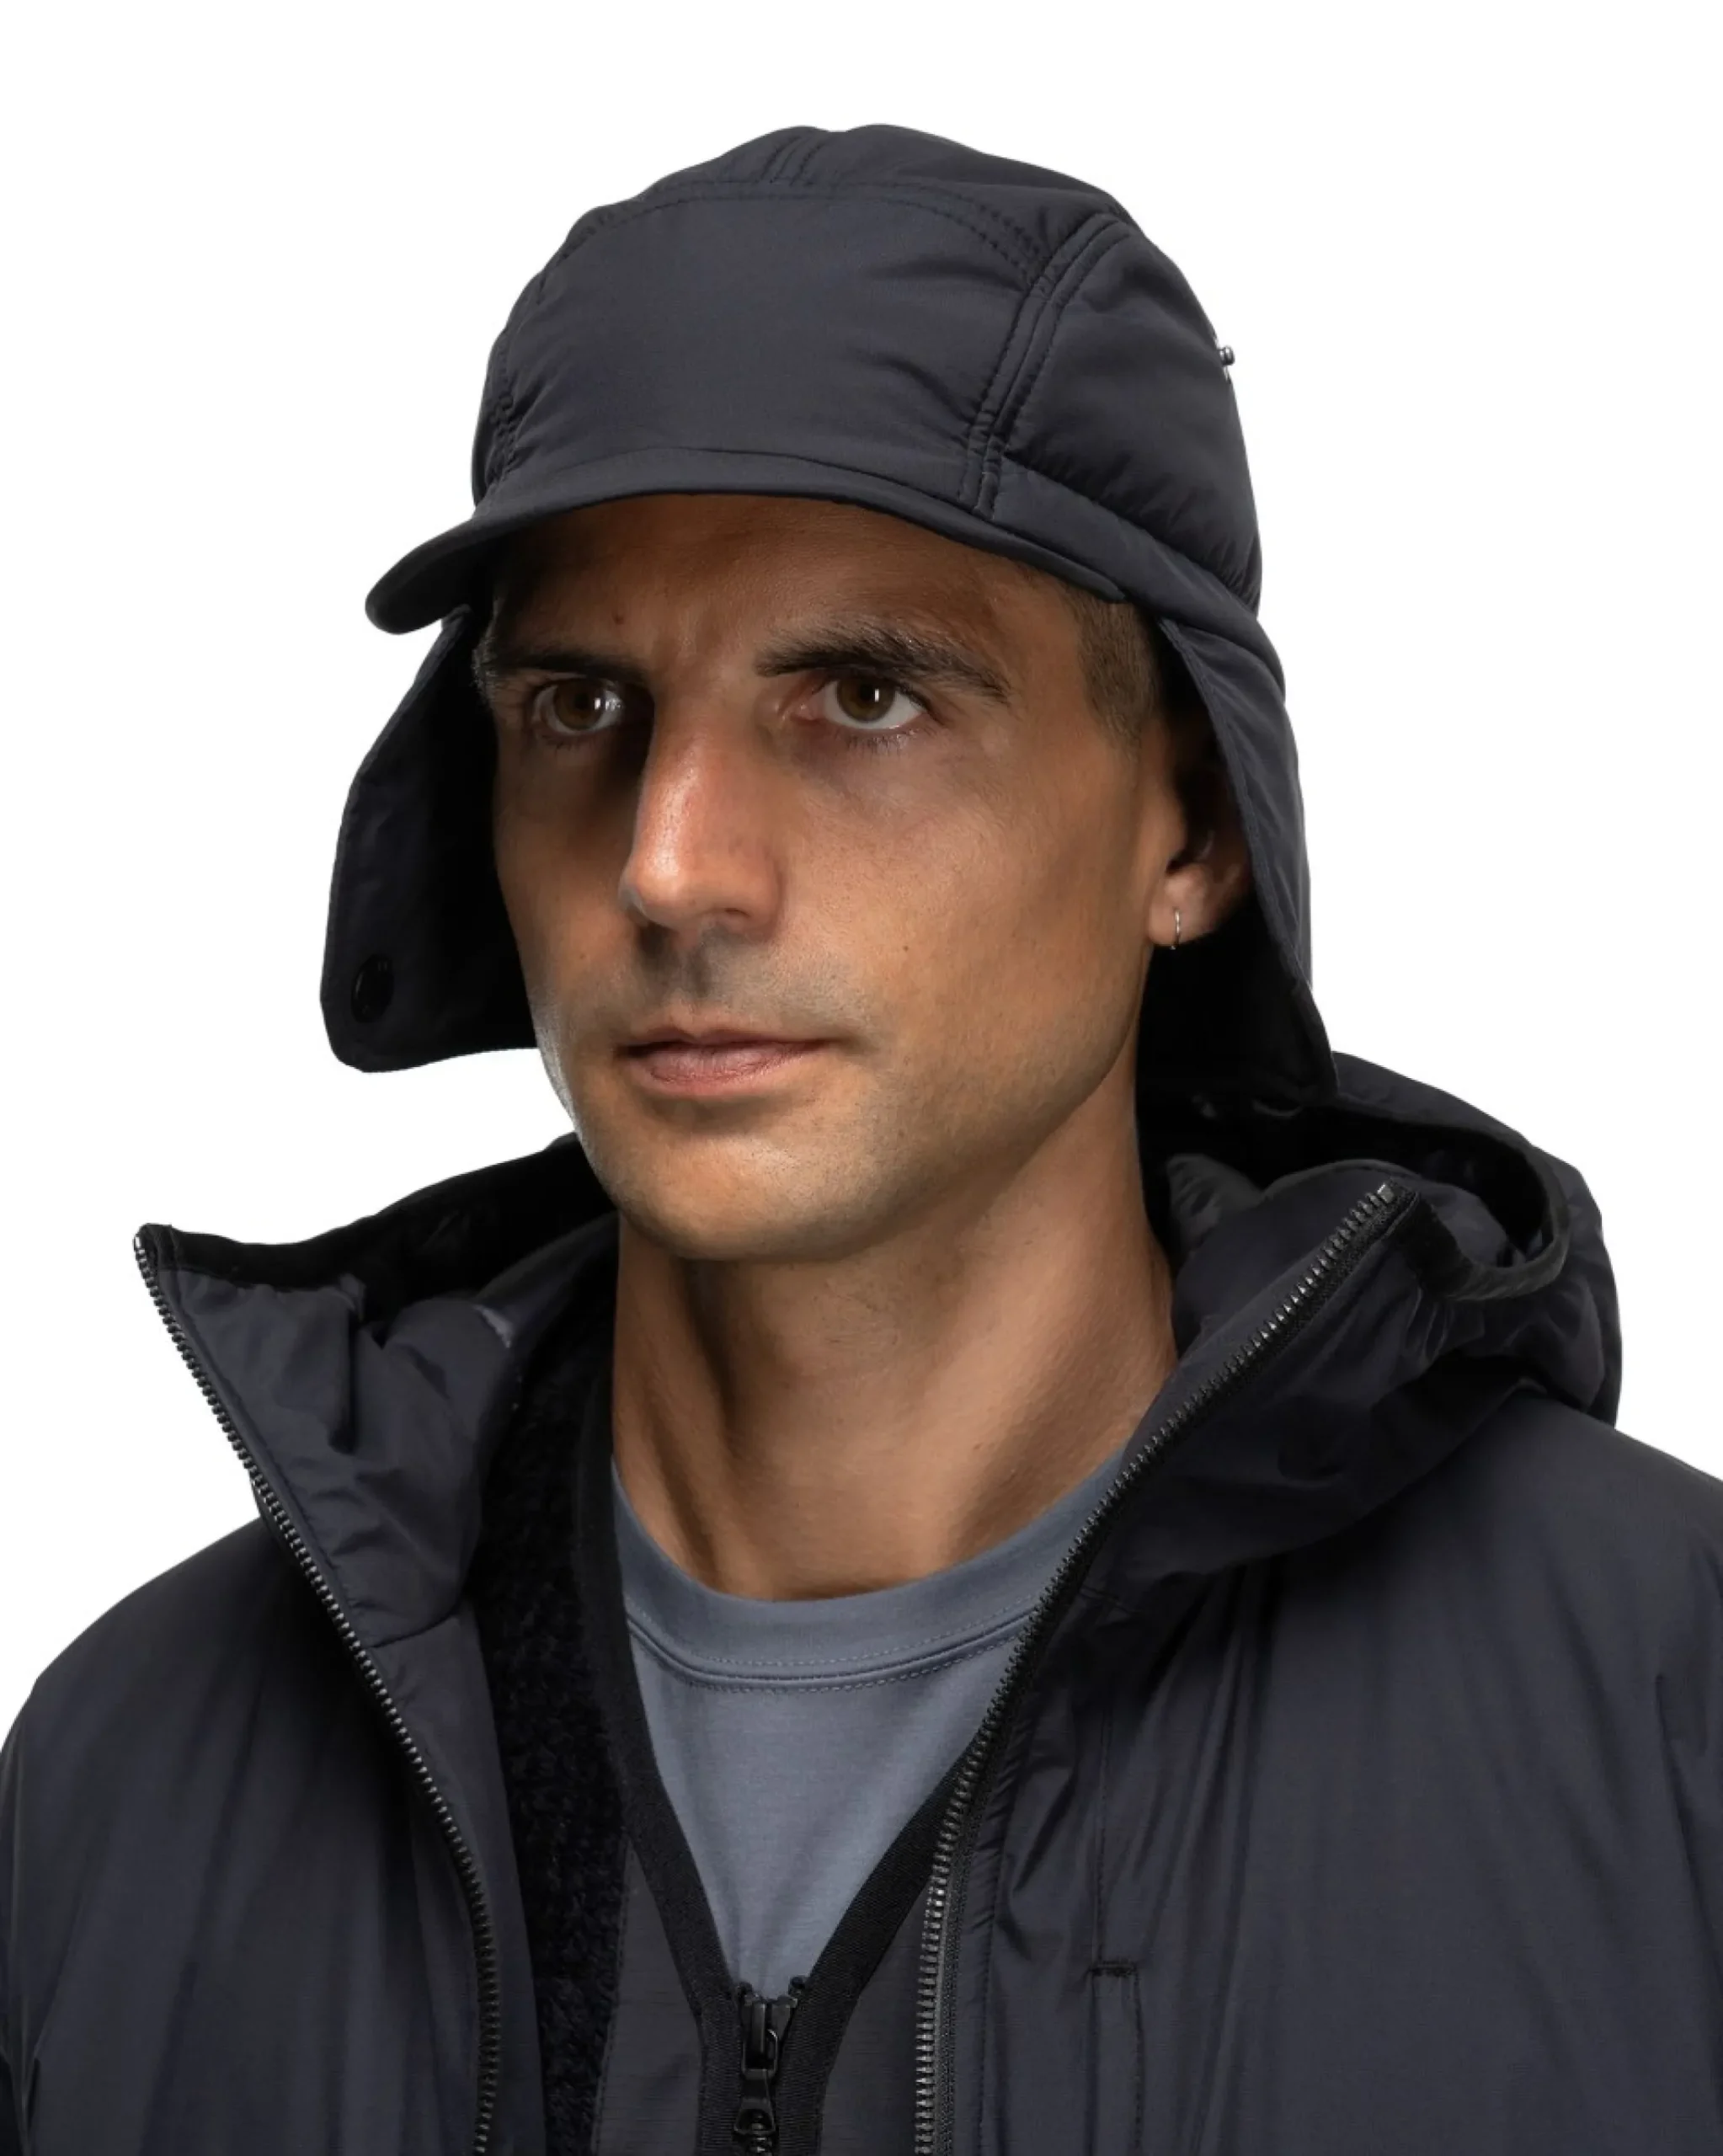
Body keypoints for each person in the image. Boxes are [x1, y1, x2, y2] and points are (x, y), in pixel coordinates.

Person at [2, 120, 1717, 2156]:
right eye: (581, 707)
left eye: (866, 697)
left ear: (1191, 825)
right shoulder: (127, 1783)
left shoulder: (1669, 1716)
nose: (668, 863)